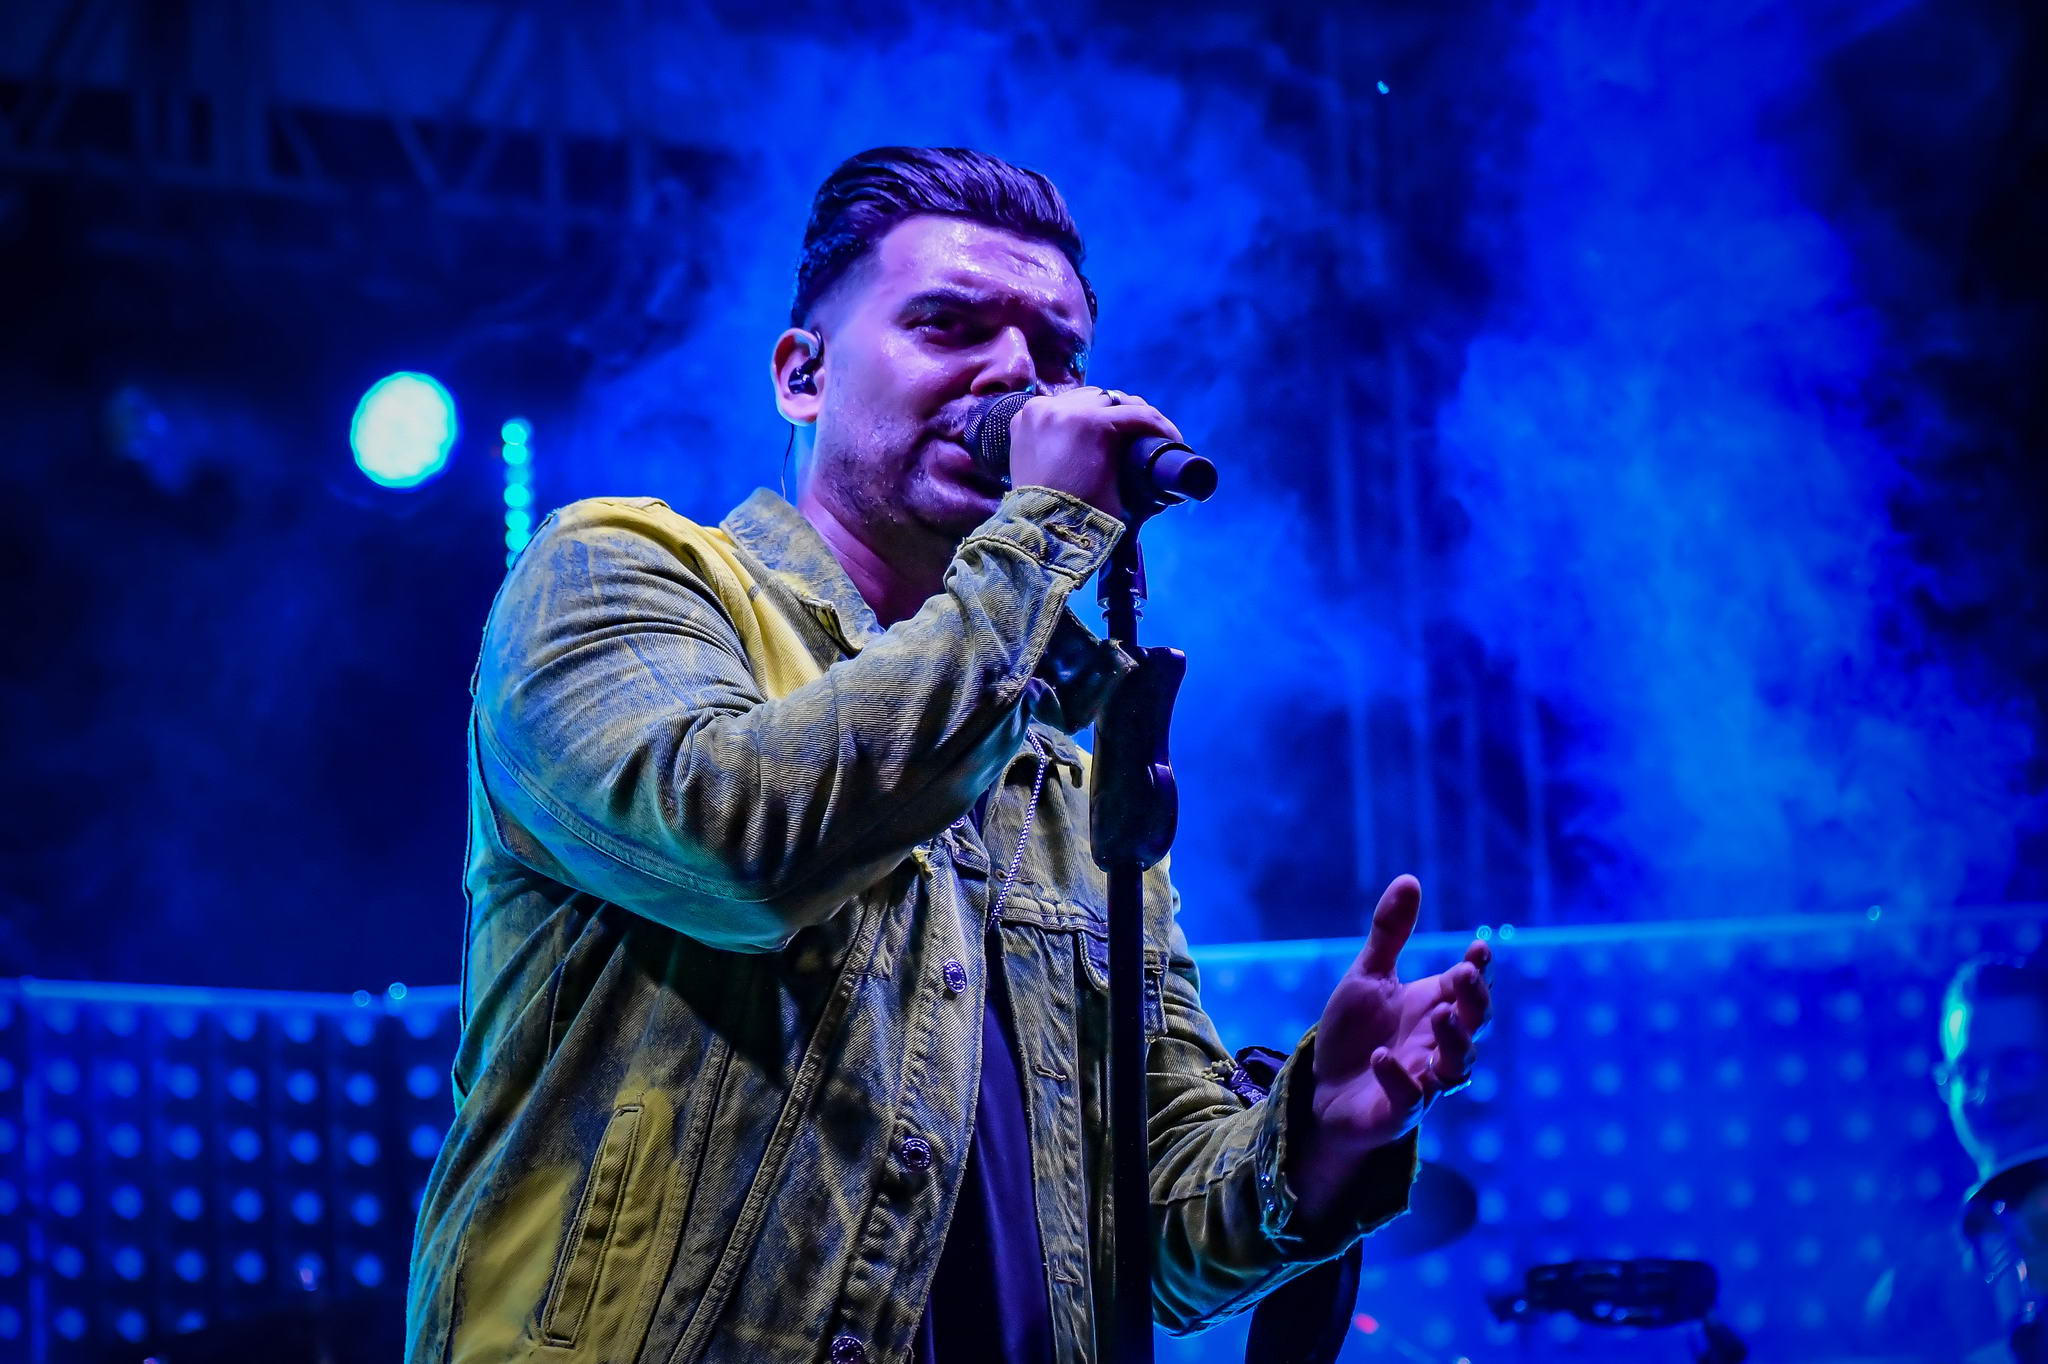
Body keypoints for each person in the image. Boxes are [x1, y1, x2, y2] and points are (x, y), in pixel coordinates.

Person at [404, 145, 1495, 1364]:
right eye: (947, 325)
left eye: (1057, 354)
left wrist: (1317, 1134)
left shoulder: (1061, 775)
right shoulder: (617, 575)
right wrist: (1043, 539)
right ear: (802, 374)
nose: (1016, 376)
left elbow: (1153, 1235)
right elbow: (739, 845)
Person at [1865, 951, 2048, 1362]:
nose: (1990, 1093)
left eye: (2017, 1064)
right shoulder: (1910, 1292)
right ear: (1946, 1087)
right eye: (1969, 1071)